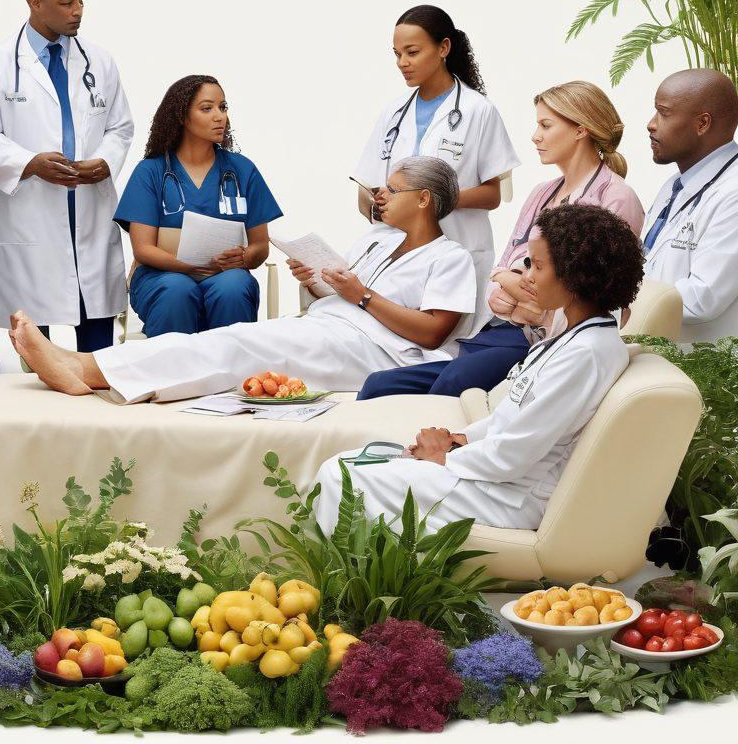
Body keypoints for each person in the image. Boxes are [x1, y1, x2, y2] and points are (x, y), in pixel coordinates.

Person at [7, 157, 477, 403]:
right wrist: (318, 282)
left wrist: (363, 296)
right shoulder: (377, 240)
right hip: (328, 326)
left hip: (374, 351)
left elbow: (434, 332)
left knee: (236, 348)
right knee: (229, 341)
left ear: (423, 200)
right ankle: (83, 364)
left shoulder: (450, 258)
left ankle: (87, 371)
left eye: (392, 189)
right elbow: (347, 297)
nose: (380, 195)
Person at [313, 204, 645, 536]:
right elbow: (513, 417)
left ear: (576, 274)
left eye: (538, 266)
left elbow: (513, 454)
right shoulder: (574, 337)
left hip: (507, 496)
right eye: (528, 264)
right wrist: (461, 437)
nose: (527, 277)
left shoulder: (586, 353)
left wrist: (444, 456)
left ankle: (351, 567)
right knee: (350, 463)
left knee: (340, 476)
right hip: (494, 477)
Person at [359, 80, 644, 399]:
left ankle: (434, 433)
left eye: (545, 125)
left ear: (581, 130)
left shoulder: (616, 198)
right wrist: (508, 288)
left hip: (548, 341)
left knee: (453, 381)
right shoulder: (542, 193)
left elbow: (597, 296)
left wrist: (523, 295)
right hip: (503, 328)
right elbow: (500, 272)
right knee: (379, 384)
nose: (535, 136)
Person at [0, 0, 133, 348]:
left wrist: (105, 161)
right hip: (30, 219)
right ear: (34, 1)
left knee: (98, 352)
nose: (78, 10)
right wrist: (30, 163)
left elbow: (121, 127)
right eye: (66, 2)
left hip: (89, 211)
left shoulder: (99, 61)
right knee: (36, 354)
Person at [353, 5, 519, 335]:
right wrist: (378, 206)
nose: (403, 62)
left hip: (457, 251)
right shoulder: (394, 113)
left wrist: (430, 202)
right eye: (397, 54)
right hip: (396, 258)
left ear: (443, 48)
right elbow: (366, 187)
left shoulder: (477, 111)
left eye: (412, 52)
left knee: (443, 344)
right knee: (386, 339)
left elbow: (492, 195)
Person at [115, 75, 282, 335]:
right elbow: (143, 249)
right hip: (161, 276)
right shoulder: (150, 172)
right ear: (182, 116)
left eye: (223, 107)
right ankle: (171, 363)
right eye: (207, 108)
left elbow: (260, 247)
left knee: (234, 288)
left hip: (224, 275)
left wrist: (244, 257)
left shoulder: (243, 170)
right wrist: (188, 267)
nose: (219, 116)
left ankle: (230, 363)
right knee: (177, 290)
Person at [642, 69, 738, 342]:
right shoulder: (674, 186)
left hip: (700, 360)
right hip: (655, 348)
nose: (651, 124)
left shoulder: (733, 192)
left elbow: (702, 297)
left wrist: (615, 295)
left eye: (664, 113)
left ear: (702, 123)